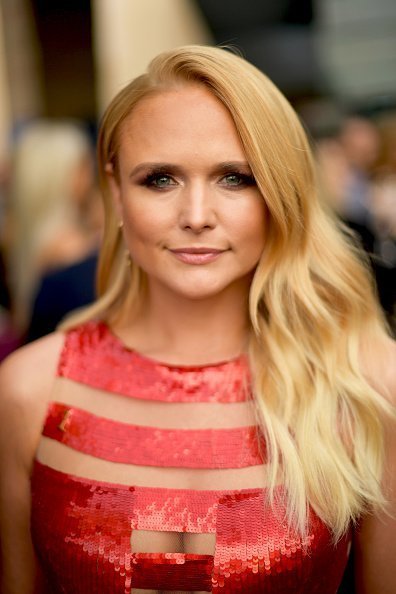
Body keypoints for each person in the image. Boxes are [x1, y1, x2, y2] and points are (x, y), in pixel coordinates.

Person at [0, 45, 395, 594]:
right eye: (160, 179)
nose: (196, 217)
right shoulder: (30, 390)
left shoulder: (366, 380)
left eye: (235, 177)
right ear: (115, 192)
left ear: (280, 191)